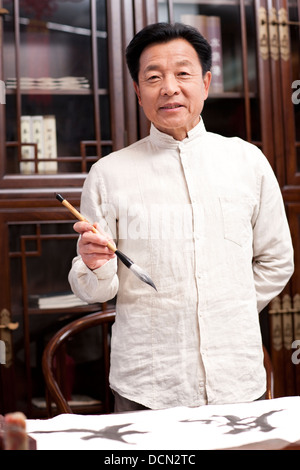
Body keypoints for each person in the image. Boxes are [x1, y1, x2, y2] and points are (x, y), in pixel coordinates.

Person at [68, 22, 294, 412]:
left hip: (236, 377)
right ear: (139, 92)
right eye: (153, 77)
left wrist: (223, 306)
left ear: (205, 82)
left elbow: (277, 260)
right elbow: (95, 291)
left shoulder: (247, 161)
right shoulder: (109, 174)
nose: (169, 87)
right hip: (148, 382)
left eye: (183, 73)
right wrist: (94, 265)